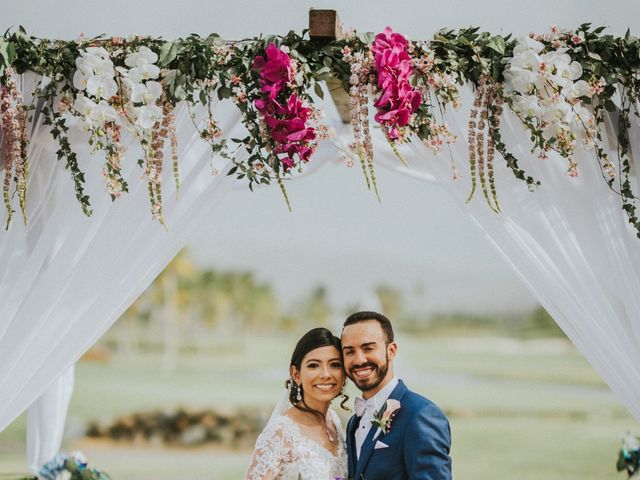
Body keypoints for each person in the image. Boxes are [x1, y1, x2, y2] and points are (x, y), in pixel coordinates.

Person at [341, 311, 452, 480]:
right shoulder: (353, 422)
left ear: (391, 350)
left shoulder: (421, 414)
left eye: (368, 348)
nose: (359, 360)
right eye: (349, 352)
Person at [245, 327, 348, 480]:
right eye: (314, 365)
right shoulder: (281, 432)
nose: (326, 374)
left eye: (335, 365)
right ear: (296, 374)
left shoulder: (334, 421)